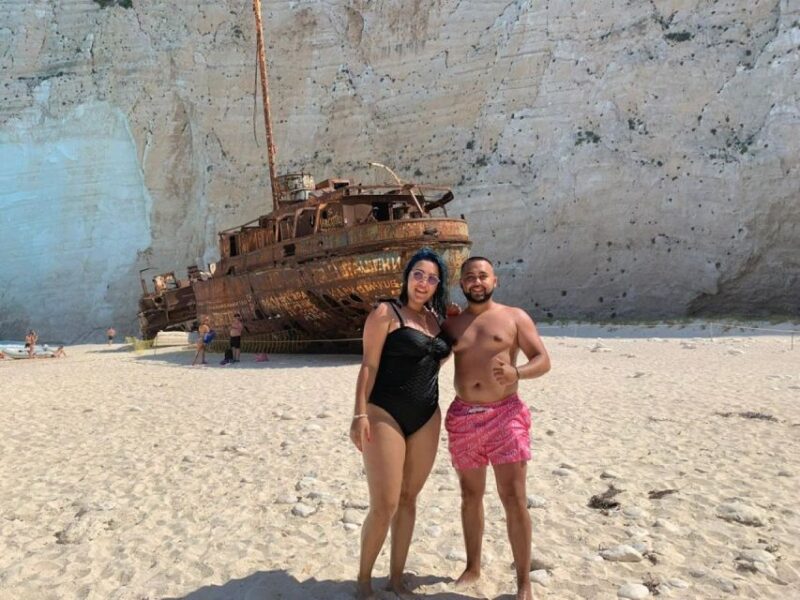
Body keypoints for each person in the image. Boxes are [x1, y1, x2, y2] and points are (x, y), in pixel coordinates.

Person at [441, 256, 551, 600]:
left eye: (483, 276)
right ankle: (473, 567)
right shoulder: (452, 325)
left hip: (506, 414)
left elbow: (542, 359)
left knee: (514, 498)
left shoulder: (514, 317)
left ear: (495, 281)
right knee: (470, 495)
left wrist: (518, 373)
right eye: (470, 277)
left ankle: (523, 583)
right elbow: (425, 350)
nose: (477, 282)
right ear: (462, 284)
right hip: (463, 416)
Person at [350, 248, 453, 599]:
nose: (424, 282)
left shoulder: (437, 321)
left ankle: (395, 579)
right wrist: (359, 413)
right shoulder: (386, 312)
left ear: (438, 285)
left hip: (426, 415)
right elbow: (369, 366)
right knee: (385, 504)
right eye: (418, 275)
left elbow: (434, 363)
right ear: (407, 276)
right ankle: (364, 581)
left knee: (409, 499)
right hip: (384, 413)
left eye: (432, 278)